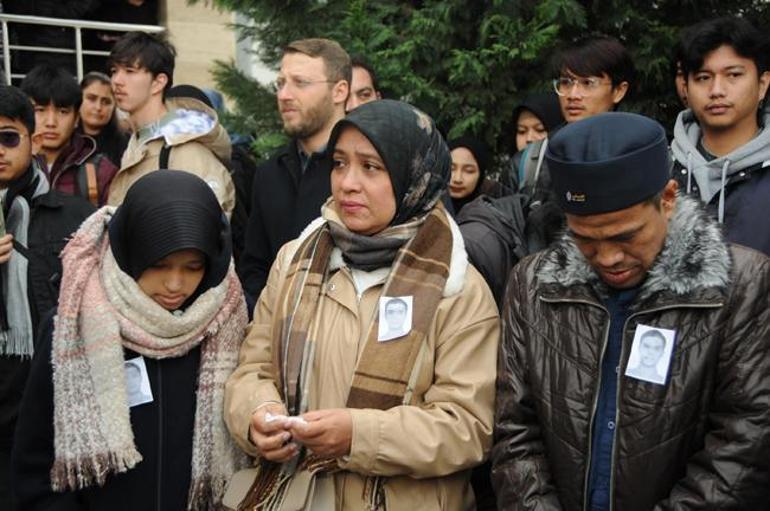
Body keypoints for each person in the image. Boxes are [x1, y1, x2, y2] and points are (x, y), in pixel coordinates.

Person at [225, 99, 499, 510]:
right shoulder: (295, 260)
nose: (347, 183)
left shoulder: (457, 287)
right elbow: (253, 367)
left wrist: (358, 435)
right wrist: (257, 412)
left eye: (370, 167)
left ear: (414, 177)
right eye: (339, 163)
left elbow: (468, 426)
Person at [492, 112, 770, 510]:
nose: (608, 257)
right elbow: (515, 431)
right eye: (585, 239)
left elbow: (745, 443)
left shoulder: (740, 285)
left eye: (626, 235)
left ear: (668, 199)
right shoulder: (533, 285)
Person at [12, 170, 249, 510]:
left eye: (192, 267)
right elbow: (36, 465)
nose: (174, 284)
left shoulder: (231, 324)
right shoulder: (73, 326)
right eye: (158, 265)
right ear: (130, 250)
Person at [0, 85, 95, 511]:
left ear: (32, 138)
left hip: (48, 401)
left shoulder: (74, 215)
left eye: (8, 137)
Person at [239, 38, 350, 307]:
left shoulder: (370, 170)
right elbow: (254, 266)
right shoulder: (268, 173)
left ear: (339, 91)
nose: (284, 95)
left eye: (300, 83)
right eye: (280, 83)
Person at [514, 35, 635, 253]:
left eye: (588, 83)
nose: (573, 95)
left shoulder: (641, 156)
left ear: (619, 90)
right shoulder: (532, 159)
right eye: (566, 82)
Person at [671, 16, 770, 256]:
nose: (716, 91)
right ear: (685, 87)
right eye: (703, 78)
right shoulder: (658, 169)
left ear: (763, 84)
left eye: (733, 75)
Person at [107, 31, 236, 215]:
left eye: (129, 71)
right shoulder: (138, 143)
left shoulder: (186, 150)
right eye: (114, 71)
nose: (117, 81)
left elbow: (199, 230)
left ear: (158, 83)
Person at [20, 65, 118, 206]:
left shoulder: (101, 171)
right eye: (40, 110)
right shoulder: (10, 164)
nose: (51, 122)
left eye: (62, 112)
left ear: (77, 118)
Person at [77, 71, 130, 168]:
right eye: (92, 99)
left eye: (106, 102)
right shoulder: (65, 141)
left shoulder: (128, 145)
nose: (98, 107)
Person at [447, 136, 494, 213]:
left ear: (480, 175)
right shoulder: (423, 208)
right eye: (451, 169)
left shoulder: (493, 214)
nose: (457, 179)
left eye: (468, 171)